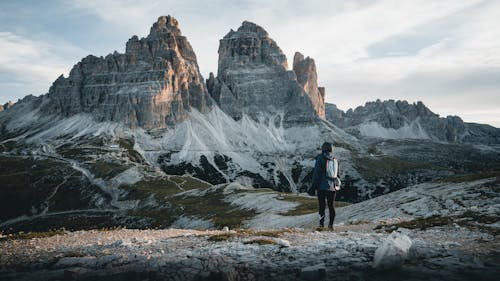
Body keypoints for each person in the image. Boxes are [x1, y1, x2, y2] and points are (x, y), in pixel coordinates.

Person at [311, 142, 340, 229]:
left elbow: (317, 173)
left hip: (322, 186)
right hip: (333, 187)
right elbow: (337, 174)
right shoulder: (335, 160)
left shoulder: (320, 158)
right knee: (331, 206)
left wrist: (314, 186)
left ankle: (321, 225)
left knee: (322, 206)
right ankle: (331, 225)